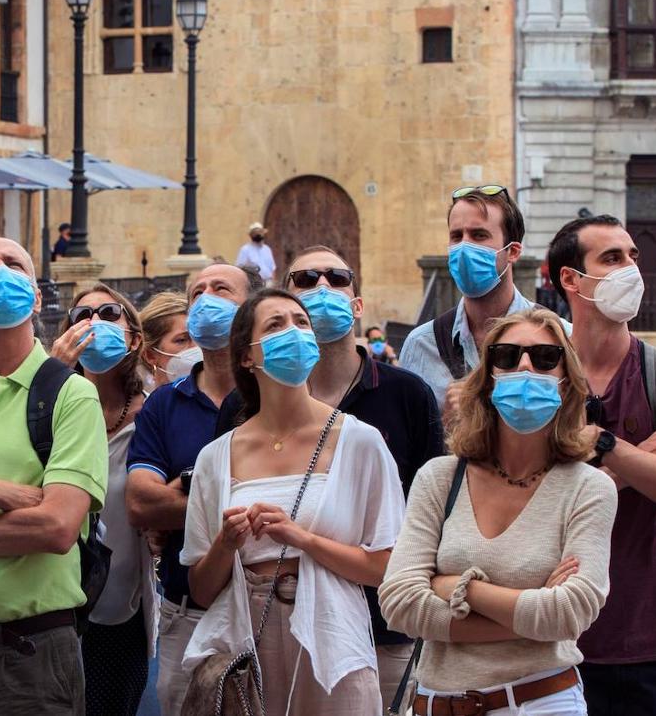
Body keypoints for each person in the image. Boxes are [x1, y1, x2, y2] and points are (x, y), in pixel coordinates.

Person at [379, 307, 617, 716]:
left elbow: (571, 611)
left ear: (566, 381)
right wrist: (531, 613)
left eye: (544, 358)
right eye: (506, 356)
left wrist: (457, 587)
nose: (524, 367)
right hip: (436, 703)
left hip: (539, 702)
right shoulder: (440, 478)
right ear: (487, 378)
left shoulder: (588, 487)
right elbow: (399, 603)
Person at [182, 288, 404, 713]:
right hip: (244, 641)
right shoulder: (217, 457)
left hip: (333, 639)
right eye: (276, 325)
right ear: (247, 356)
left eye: (301, 322)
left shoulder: (360, 441)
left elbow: (386, 567)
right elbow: (201, 589)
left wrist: (301, 538)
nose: (294, 332)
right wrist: (226, 543)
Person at [547, 214, 656, 716]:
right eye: (612, 258)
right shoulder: (536, 378)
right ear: (571, 279)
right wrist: (639, 464)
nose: (631, 270)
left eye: (633, 256)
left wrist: (605, 444)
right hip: (554, 643)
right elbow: (530, 504)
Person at [0, 238, 107, 716]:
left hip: (28, 659)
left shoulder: (69, 394)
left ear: (35, 296)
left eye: (14, 264)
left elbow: (55, 527)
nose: (0, 271)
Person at [283, 246, 444, 706]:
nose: (322, 288)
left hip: (384, 628)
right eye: (306, 279)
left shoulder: (407, 395)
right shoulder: (254, 401)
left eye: (336, 278)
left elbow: (430, 510)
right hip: (285, 624)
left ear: (357, 304)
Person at [125, 263, 252, 716]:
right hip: (187, 614)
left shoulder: (277, 395)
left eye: (221, 289)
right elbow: (141, 502)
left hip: (267, 608)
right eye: (197, 292)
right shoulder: (166, 401)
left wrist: (183, 489)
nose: (207, 298)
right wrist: (233, 495)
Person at [49, 284, 153, 716]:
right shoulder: (50, 405)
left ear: (133, 337)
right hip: (56, 603)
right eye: (81, 315)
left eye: (109, 313)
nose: (93, 322)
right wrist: (52, 373)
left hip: (121, 609)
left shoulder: (153, 414)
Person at [402, 186, 555, 423]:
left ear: (513, 251)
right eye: (456, 236)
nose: (464, 247)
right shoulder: (421, 345)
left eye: (479, 235)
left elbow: (572, 428)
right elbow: (410, 444)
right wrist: (447, 421)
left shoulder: (558, 338)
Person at [137, 291, 199, 389]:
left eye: (200, 337)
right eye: (182, 340)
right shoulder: (146, 403)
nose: (196, 347)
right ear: (150, 355)